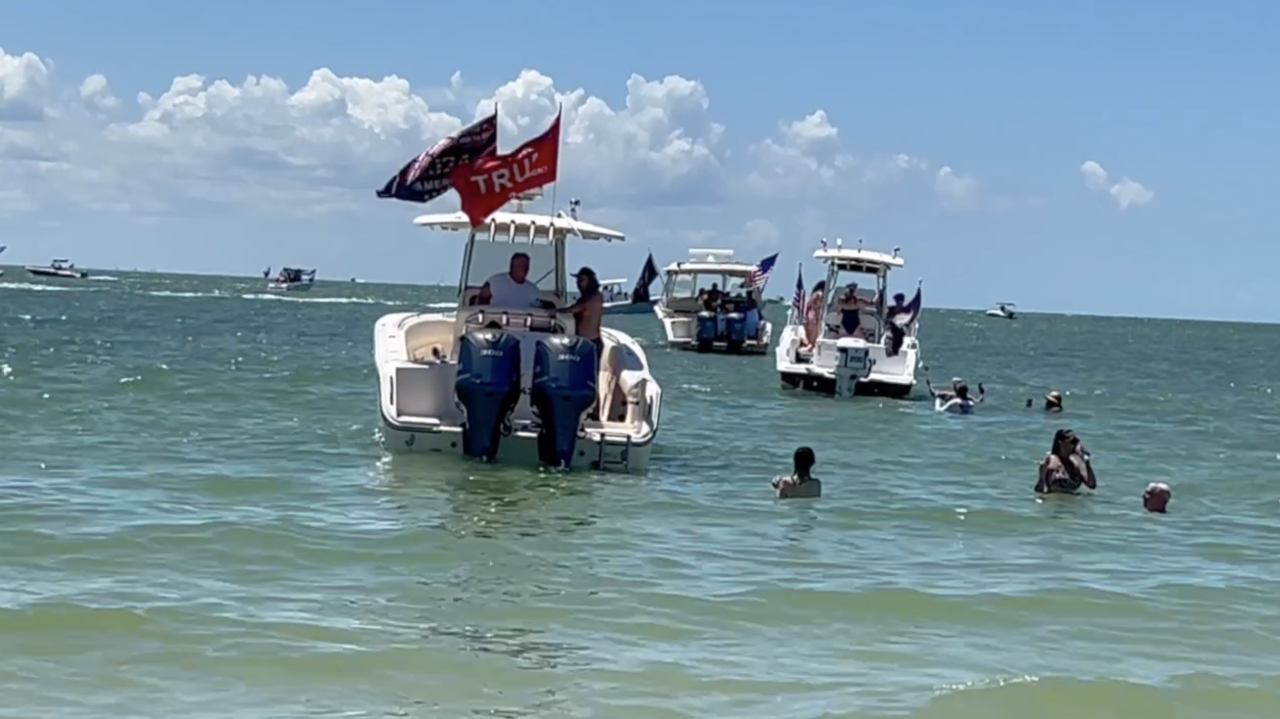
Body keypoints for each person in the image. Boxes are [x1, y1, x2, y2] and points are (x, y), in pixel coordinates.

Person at [560, 266, 605, 360]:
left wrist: (554, 311)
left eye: (582, 280)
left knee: (589, 373)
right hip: (582, 342)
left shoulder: (594, 297)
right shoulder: (584, 298)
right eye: (578, 280)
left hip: (591, 343)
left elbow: (573, 309)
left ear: (591, 281)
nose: (578, 283)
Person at [1035, 428, 1097, 494]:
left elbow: (1091, 485)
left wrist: (1086, 462)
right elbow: (1041, 490)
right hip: (1055, 502)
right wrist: (1042, 475)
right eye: (1072, 442)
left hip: (1072, 503)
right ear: (1061, 442)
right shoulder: (1052, 461)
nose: (1075, 445)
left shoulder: (1075, 463)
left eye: (1076, 441)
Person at [480, 252, 545, 308]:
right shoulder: (494, 282)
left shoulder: (533, 290)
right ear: (513, 266)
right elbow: (480, 302)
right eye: (521, 265)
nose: (525, 268)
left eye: (526, 265)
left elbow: (539, 308)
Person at [803, 280, 826, 350]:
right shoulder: (819, 294)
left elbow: (808, 306)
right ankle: (811, 348)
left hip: (810, 316)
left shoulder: (813, 294)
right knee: (814, 335)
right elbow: (817, 305)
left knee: (811, 335)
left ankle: (810, 347)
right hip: (815, 316)